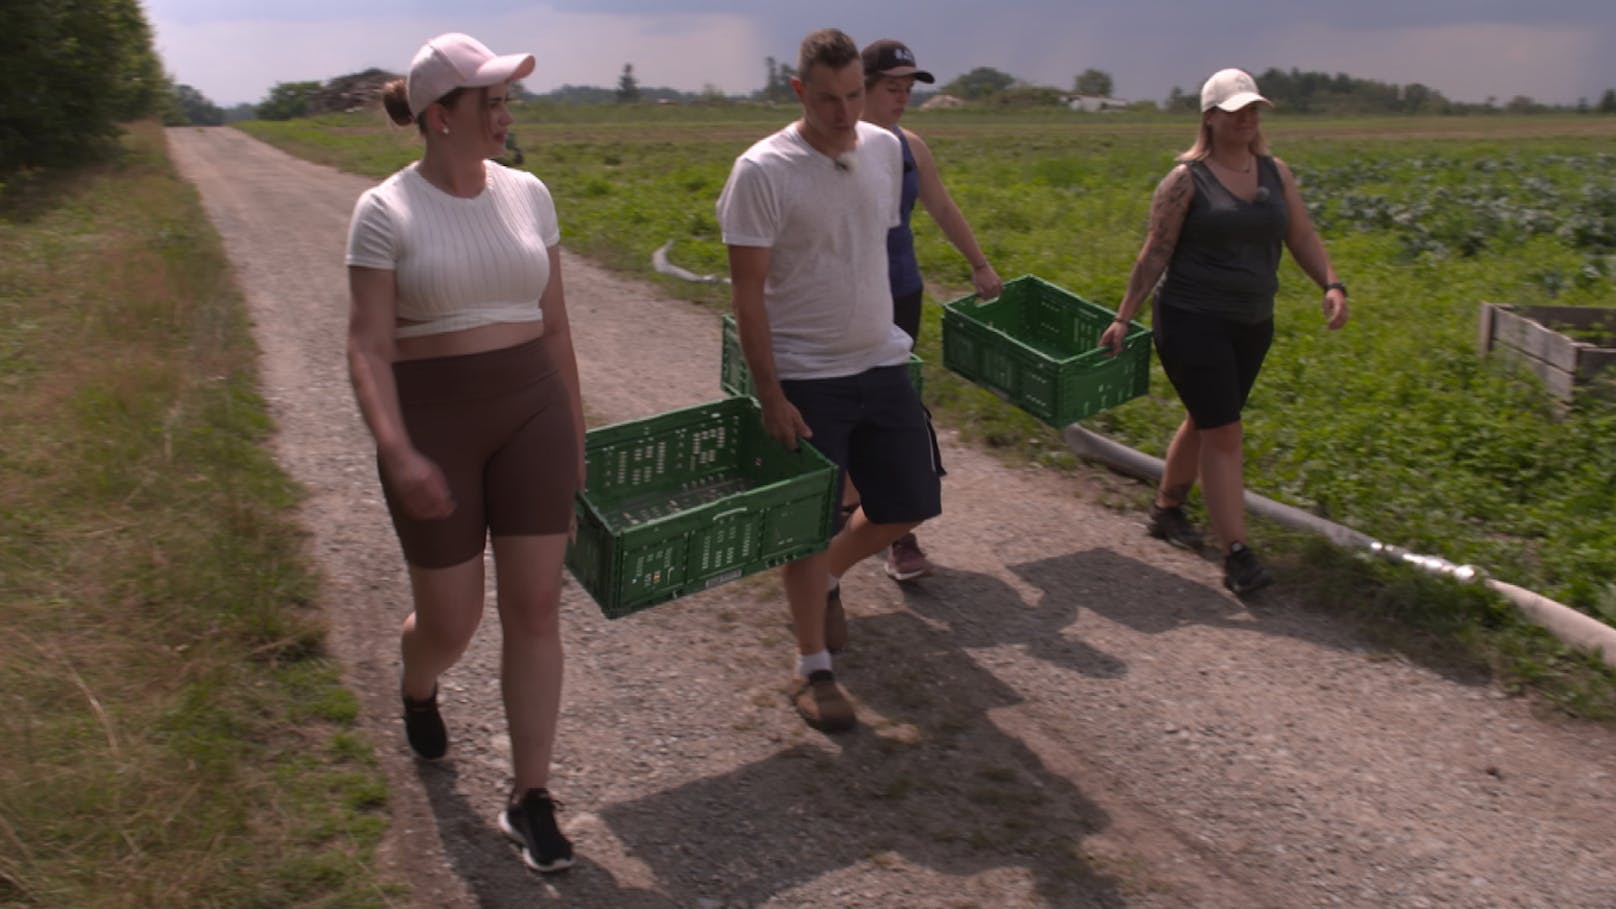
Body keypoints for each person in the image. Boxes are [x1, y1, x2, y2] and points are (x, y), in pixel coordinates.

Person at [344, 32, 585, 873]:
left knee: (536, 607)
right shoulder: (385, 210)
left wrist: (575, 438)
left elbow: (556, 328)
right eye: (493, 103)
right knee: (453, 621)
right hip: (435, 426)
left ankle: (531, 794)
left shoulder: (530, 194)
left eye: (507, 101)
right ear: (440, 116)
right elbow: (368, 347)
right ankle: (417, 682)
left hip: (533, 417)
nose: (506, 116)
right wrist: (398, 449)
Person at [716, 28, 943, 732]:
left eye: (853, 97)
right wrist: (771, 393)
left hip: (880, 359)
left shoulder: (882, 150)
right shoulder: (762, 170)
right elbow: (747, 293)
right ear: (797, 92)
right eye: (828, 100)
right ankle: (812, 665)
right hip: (808, 374)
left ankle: (834, 576)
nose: (845, 114)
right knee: (806, 531)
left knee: (911, 501)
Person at [1098, 67, 1349, 595]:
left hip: (1253, 323)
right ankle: (1237, 555)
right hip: (1192, 320)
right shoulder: (1185, 179)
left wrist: (1331, 282)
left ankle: (1167, 509)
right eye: (1235, 111)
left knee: (1208, 419)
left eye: (1253, 110)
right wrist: (1124, 316)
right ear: (1209, 118)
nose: (1247, 120)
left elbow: (1300, 233)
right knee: (1225, 430)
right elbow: (1155, 253)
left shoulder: (1275, 173)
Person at [860, 38, 1003, 582]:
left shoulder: (911, 147)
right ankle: (852, 514)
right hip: (845, 299)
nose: (901, 99)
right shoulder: (837, 146)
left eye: (907, 90)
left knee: (895, 405)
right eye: (891, 89)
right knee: (850, 405)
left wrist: (979, 263)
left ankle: (896, 530)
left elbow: (941, 205)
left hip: (901, 291)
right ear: (864, 87)